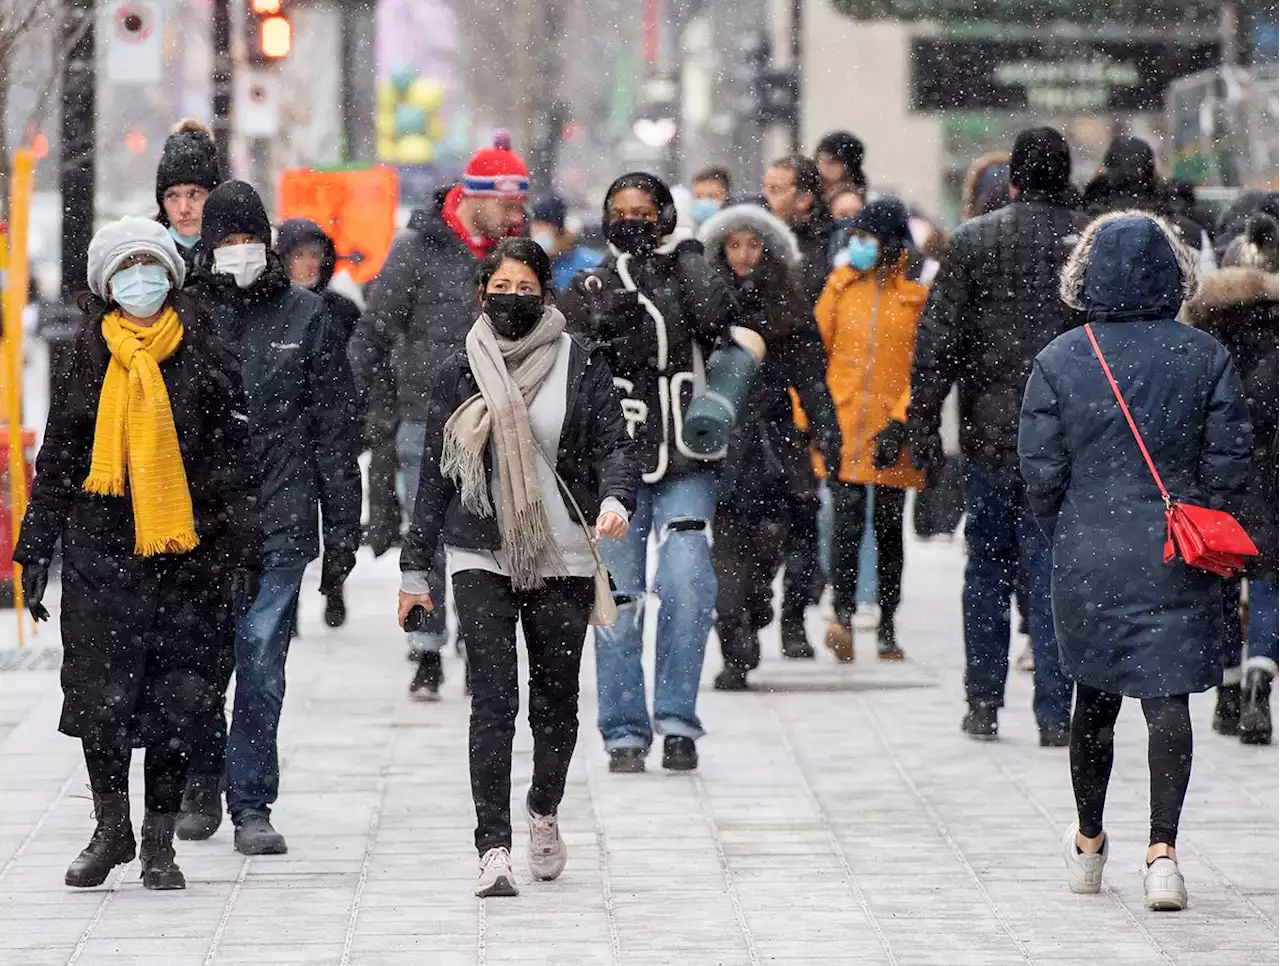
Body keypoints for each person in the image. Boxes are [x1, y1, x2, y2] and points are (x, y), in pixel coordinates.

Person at [14, 217, 259, 890]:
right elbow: (62, 454)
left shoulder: (203, 348)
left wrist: (242, 551)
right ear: (106, 283)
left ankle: (158, 842)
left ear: (171, 277)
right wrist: (35, 547)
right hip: (100, 553)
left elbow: (236, 459)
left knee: (180, 698)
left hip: (187, 552)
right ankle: (110, 829)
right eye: (127, 269)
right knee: (101, 697)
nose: (141, 280)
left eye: (152, 266)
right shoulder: (88, 353)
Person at [1020, 211, 1250, 912]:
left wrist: (1073, 523)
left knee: (1094, 695)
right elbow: (1231, 462)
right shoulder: (1204, 355)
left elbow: (1040, 469)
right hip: (1175, 548)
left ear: (1086, 275)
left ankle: (1089, 846)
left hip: (1089, 548)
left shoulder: (1062, 358)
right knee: (1166, 698)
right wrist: (1193, 504)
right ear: (1173, 272)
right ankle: (1163, 855)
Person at [398, 238, 636, 897]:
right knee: (494, 698)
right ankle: (492, 847)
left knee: (556, 700)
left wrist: (617, 498)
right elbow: (434, 479)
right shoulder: (460, 368)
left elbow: (614, 443)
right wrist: (414, 571)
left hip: (561, 555)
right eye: (499, 287)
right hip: (481, 552)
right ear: (482, 294)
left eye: (523, 287)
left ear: (545, 294)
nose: (511, 298)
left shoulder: (577, 363)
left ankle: (543, 808)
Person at [179, 181, 362, 855]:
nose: (238, 252)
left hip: (280, 518)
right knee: (200, 658)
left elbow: (334, 430)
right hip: (199, 522)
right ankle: (202, 777)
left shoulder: (305, 316)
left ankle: (251, 800)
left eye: (247, 240)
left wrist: (343, 530)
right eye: (225, 241)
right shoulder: (186, 314)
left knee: (260, 659)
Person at [907, 127, 1084, 746]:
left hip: (991, 432)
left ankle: (983, 698)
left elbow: (938, 343)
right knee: (1052, 567)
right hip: (1068, 437)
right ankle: (1055, 709)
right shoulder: (1088, 243)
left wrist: (922, 422)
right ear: (1065, 175)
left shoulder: (974, 242)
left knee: (987, 565)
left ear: (1012, 178)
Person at [560, 171, 741, 773]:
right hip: (616, 462)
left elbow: (717, 317)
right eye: (620, 210)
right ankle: (623, 730)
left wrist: (686, 248)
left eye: (644, 210)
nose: (631, 220)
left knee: (689, 581)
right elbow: (575, 353)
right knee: (618, 598)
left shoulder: (687, 268)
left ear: (665, 214)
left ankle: (677, 719)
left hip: (686, 453)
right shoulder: (592, 281)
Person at [350, 133, 528, 700]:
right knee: (423, 531)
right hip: (424, 413)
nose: (516, 215)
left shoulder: (516, 256)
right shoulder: (419, 249)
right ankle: (426, 648)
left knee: (489, 537)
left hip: (500, 415)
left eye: (521, 204)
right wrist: (348, 401)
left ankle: (482, 646)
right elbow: (376, 328)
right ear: (475, 197)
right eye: (507, 203)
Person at [697, 204, 840, 689]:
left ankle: (755, 609)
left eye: (752, 244)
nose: (742, 255)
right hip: (716, 445)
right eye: (733, 244)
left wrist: (829, 436)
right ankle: (735, 646)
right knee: (726, 557)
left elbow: (813, 384)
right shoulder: (702, 305)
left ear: (769, 250)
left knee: (765, 549)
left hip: (773, 446)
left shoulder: (790, 310)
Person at [817, 198, 932, 663]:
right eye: (855, 237)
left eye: (868, 237)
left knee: (888, 529)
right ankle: (841, 615)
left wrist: (902, 421)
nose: (858, 245)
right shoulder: (840, 289)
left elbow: (922, 367)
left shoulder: (915, 298)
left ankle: (887, 623)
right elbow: (817, 356)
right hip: (843, 427)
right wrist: (816, 421)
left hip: (891, 433)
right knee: (843, 526)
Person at [1187, 212, 1280, 745]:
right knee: (1269, 579)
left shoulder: (1207, 326)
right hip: (1273, 468)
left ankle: (1224, 691)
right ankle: (1259, 682)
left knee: (1222, 578)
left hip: (1219, 471)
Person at [276, 218, 365, 626]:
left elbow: (358, 367)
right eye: (299, 256)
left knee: (335, 511)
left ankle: (334, 584)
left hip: (328, 427)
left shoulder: (340, 311)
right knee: (286, 525)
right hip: (284, 432)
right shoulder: (267, 311)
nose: (309, 264)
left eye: (315, 255)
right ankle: (287, 603)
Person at [763, 155, 834, 657]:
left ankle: (793, 617)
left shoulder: (828, 254)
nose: (769, 197)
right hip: (763, 407)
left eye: (779, 188)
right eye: (766, 187)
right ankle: (754, 606)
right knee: (757, 519)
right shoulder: (750, 245)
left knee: (805, 517)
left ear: (804, 198)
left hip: (811, 398)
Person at [155, 119, 223, 273]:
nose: (184, 208)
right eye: (172, 196)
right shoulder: (146, 259)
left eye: (194, 194)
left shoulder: (236, 256)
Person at [530, 194, 602, 291]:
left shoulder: (590, 264)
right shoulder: (531, 265)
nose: (538, 232)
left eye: (545, 226)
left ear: (561, 230)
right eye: (536, 224)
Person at [815, 130, 868, 197]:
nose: (821, 169)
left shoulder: (855, 203)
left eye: (831, 162)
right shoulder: (808, 199)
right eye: (818, 161)